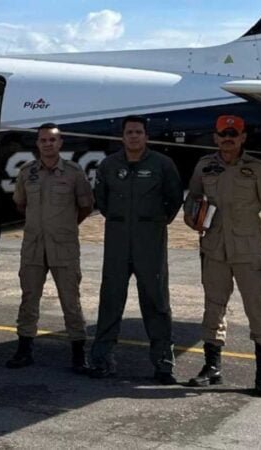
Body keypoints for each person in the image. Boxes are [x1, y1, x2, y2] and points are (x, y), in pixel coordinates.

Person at [183, 115, 261, 397]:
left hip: (248, 251)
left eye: (234, 133)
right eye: (223, 133)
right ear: (216, 137)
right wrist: (192, 216)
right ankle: (212, 368)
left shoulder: (257, 169)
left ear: (243, 137)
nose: (228, 138)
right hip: (214, 249)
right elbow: (192, 199)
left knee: (256, 308)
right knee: (213, 306)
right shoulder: (205, 166)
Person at [89, 115, 183, 384]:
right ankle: (102, 359)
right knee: (110, 300)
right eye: (129, 132)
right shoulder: (109, 165)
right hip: (117, 240)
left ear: (146, 136)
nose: (134, 136)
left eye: (138, 132)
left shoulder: (162, 165)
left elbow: (174, 199)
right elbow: (102, 202)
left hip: (149, 241)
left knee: (156, 301)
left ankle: (163, 363)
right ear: (123, 136)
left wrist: (153, 223)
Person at [6, 123, 93, 372]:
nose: (47, 144)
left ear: (60, 143)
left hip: (63, 247)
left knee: (71, 300)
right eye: (43, 140)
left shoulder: (74, 172)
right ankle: (24, 350)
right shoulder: (27, 172)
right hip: (33, 246)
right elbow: (21, 204)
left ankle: (78, 354)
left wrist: (63, 226)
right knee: (29, 298)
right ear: (37, 144)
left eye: (52, 140)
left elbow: (86, 206)